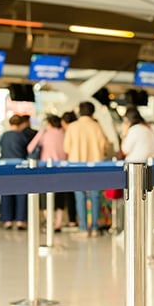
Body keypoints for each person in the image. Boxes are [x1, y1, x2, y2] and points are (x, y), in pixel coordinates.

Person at [63, 102, 108, 237]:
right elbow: (103, 146)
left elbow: (66, 148)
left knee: (80, 196)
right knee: (95, 196)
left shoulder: (72, 127)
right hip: (95, 166)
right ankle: (94, 227)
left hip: (77, 166)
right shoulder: (96, 126)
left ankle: (83, 228)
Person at [27, 115, 67, 231]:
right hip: (62, 168)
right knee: (60, 196)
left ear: (48, 123)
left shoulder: (44, 133)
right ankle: (58, 223)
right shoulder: (63, 133)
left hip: (46, 168)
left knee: (45, 195)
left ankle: (50, 223)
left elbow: (30, 148)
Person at [0, 115, 29, 230]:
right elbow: (27, 150)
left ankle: (7, 220)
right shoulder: (22, 136)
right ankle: (20, 220)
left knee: (6, 192)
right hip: (20, 166)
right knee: (21, 193)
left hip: (5, 167)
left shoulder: (4, 136)